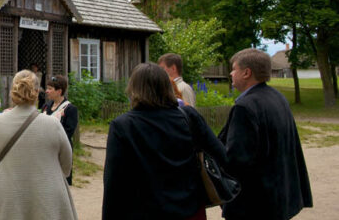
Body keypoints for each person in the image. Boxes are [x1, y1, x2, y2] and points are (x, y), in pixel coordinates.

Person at [102, 63, 225, 220]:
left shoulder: (123, 125)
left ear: (134, 89)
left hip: (144, 211)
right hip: (189, 208)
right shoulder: (188, 117)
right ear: (167, 86)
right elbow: (221, 154)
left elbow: (114, 182)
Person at [218, 48, 312, 219]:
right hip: (278, 198)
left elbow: (237, 159)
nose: (231, 73)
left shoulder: (245, 107)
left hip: (254, 205)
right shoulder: (277, 97)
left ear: (246, 73)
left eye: (234, 69)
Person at [0, 70, 77, 220]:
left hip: (6, 197)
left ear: (13, 91)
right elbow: (66, 165)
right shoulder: (53, 124)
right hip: (46, 196)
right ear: (37, 92)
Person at [41, 74, 78, 185]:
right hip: (44, 150)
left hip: (60, 150)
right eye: (47, 88)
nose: (47, 91)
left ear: (59, 91)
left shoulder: (70, 109)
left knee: (60, 183)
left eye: (50, 89)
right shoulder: (46, 106)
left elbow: (68, 132)